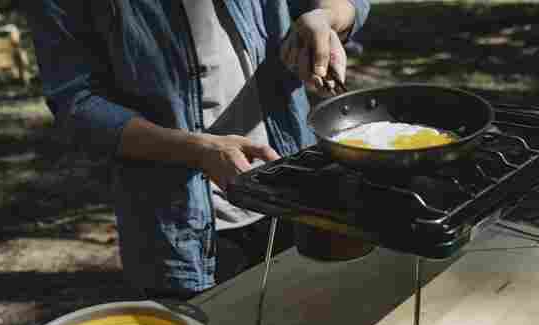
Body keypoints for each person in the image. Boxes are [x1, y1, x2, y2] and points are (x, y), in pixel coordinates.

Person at [23, 0, 370, 299]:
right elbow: (78, 104)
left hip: (295, 196)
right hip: (180, 229)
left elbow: (343, 5)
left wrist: (324, 18)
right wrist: (197, 150)